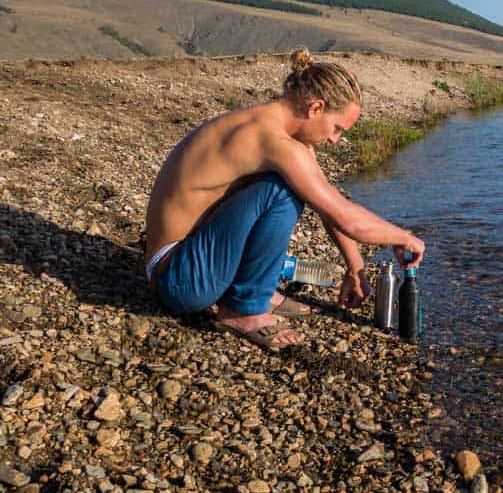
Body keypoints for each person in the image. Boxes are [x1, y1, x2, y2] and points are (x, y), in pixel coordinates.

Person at [143, 48, 425, 350]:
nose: (334, 140)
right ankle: (243, 309)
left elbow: (327, 203)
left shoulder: (273, 127)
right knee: (280, 191)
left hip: (183, 262)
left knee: (288, 188)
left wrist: (355, 267)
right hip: (179, 280)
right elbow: (347, 218)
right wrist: (403, 237)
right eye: (337, 128)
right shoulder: (273, 141)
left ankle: (254, 290)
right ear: (316, 108)